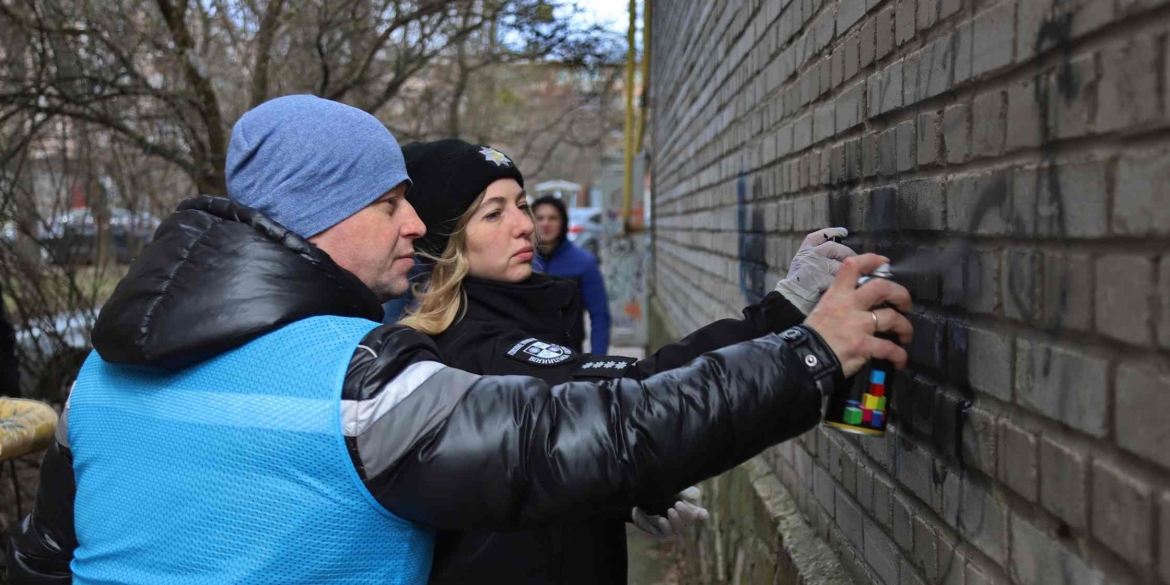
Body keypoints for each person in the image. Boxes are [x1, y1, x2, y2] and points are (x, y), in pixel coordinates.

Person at [6, 97, 914, 584]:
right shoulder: (360, 386)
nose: (413, 225)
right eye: (390, 201)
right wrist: (809, 352)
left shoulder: (95, 380)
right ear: (324, 215)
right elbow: (597, 432)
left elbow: (44, 562)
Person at [397, 139, 878, 585]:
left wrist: (615, 500)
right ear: (447, 244)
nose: (524, 224)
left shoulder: (519, 316)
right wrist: (785, 317)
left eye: (521, 204)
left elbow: (538, 465)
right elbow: (630, 393)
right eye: (493, 214)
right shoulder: (471, 351)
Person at [530, 195, 610, 354]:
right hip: (526, 359)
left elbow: (600, 316)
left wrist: (598, 363)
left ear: (563, 222)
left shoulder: (584, 263)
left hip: (569, 357)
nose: (545, 224)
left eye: (552, 218)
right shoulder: (520, 261)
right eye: (539, 218)